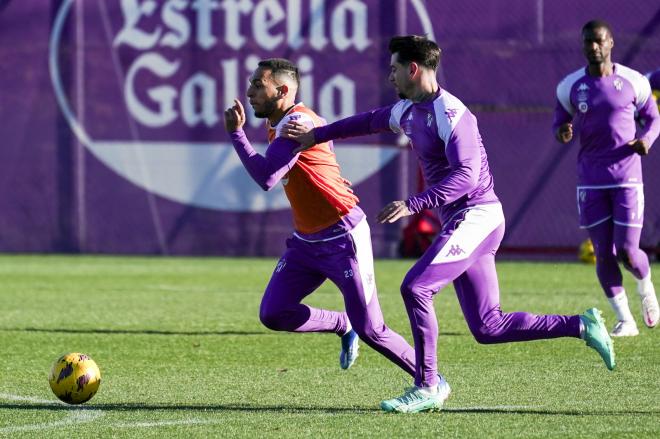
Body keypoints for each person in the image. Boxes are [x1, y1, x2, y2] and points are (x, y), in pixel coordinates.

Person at [282, 35, 615, 414]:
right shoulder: (408, 109)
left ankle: (427, 385)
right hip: (465, 221)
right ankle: (582, 326)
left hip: (478, 216)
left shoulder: (453, 113)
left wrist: (413, 204)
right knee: (489, 327)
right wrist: (317, 135)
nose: (389, 76)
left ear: (413, 69)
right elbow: (370, 121)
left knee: (416, 288)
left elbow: (468, 177)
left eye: (393, 68)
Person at [222, 58, 418, 384]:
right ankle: (343, 324)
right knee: (274, 313)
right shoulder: (289, 121)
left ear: (282, 90)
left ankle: (431, 380)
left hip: (342, 236)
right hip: (306, 241)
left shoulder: (294, 122)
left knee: (373, 328)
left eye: (259, 84)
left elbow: (268, 177)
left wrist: (236, 134)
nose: (250, 91)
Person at [553, 20, 660, 337]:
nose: (593, 47)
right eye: (587, 41)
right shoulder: (570, 86)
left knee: (628, 250)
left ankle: (646, 289)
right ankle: (625, 319)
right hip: (590, 180)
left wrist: (647, 140)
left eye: (598, 41)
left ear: (611, 42)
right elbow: (559, 122)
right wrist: (562, 131)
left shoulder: (633, 81)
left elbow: (653, 119)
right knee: (603, 252)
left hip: (627, 177)